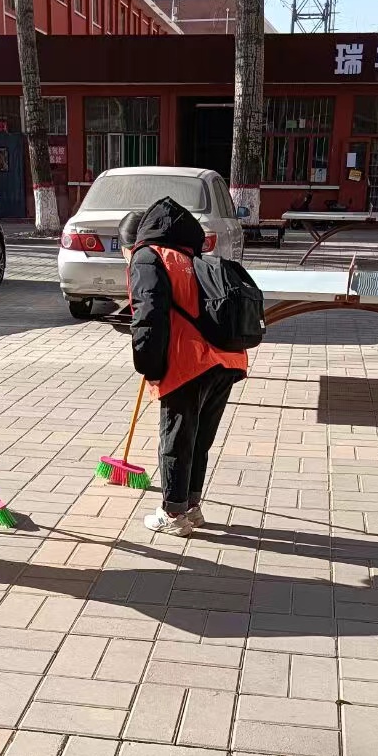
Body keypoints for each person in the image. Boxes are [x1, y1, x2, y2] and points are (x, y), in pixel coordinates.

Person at [120, 197, 247, 537]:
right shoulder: (190, 255)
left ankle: (173, 514)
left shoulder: (146, 257)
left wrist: (149, 366)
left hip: (188, 362)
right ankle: (191, 506)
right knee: (199, 439)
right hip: (225, 359)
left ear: (130, 244)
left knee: (175, 440)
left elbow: (148, 316)